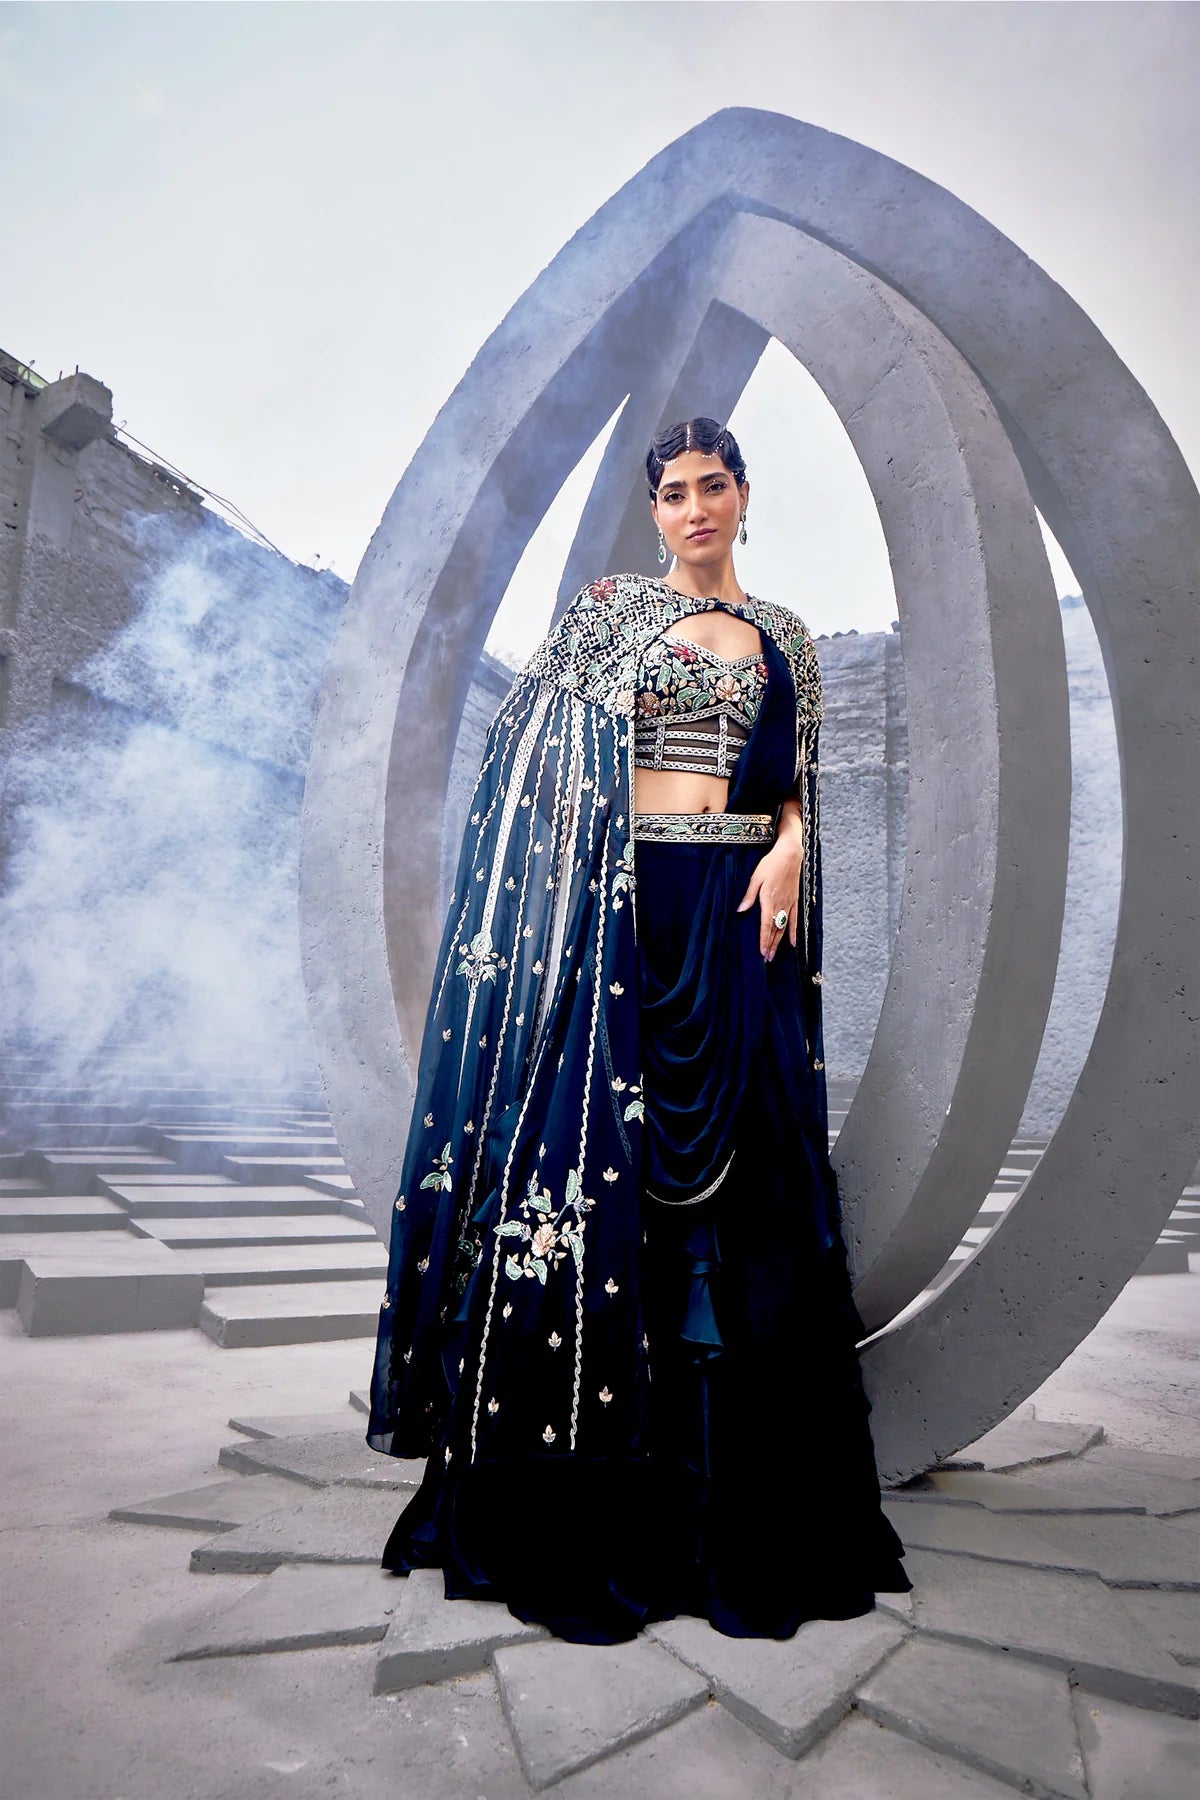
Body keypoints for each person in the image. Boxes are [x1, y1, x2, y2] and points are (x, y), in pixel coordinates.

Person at [366, 416, 912, 1644]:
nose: (695, 508)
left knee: (754, 1189)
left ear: (744, 494)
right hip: (620, 911)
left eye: (713, 485)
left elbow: (792, 786)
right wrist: (583, 889)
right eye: (673, 492)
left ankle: (739, 1505)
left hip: (739, 915)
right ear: (654, 509)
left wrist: (792, 848)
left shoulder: (790, 641)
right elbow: (525, 772)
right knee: (594, 1174)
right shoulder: (608, 613)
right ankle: (589, 1495)